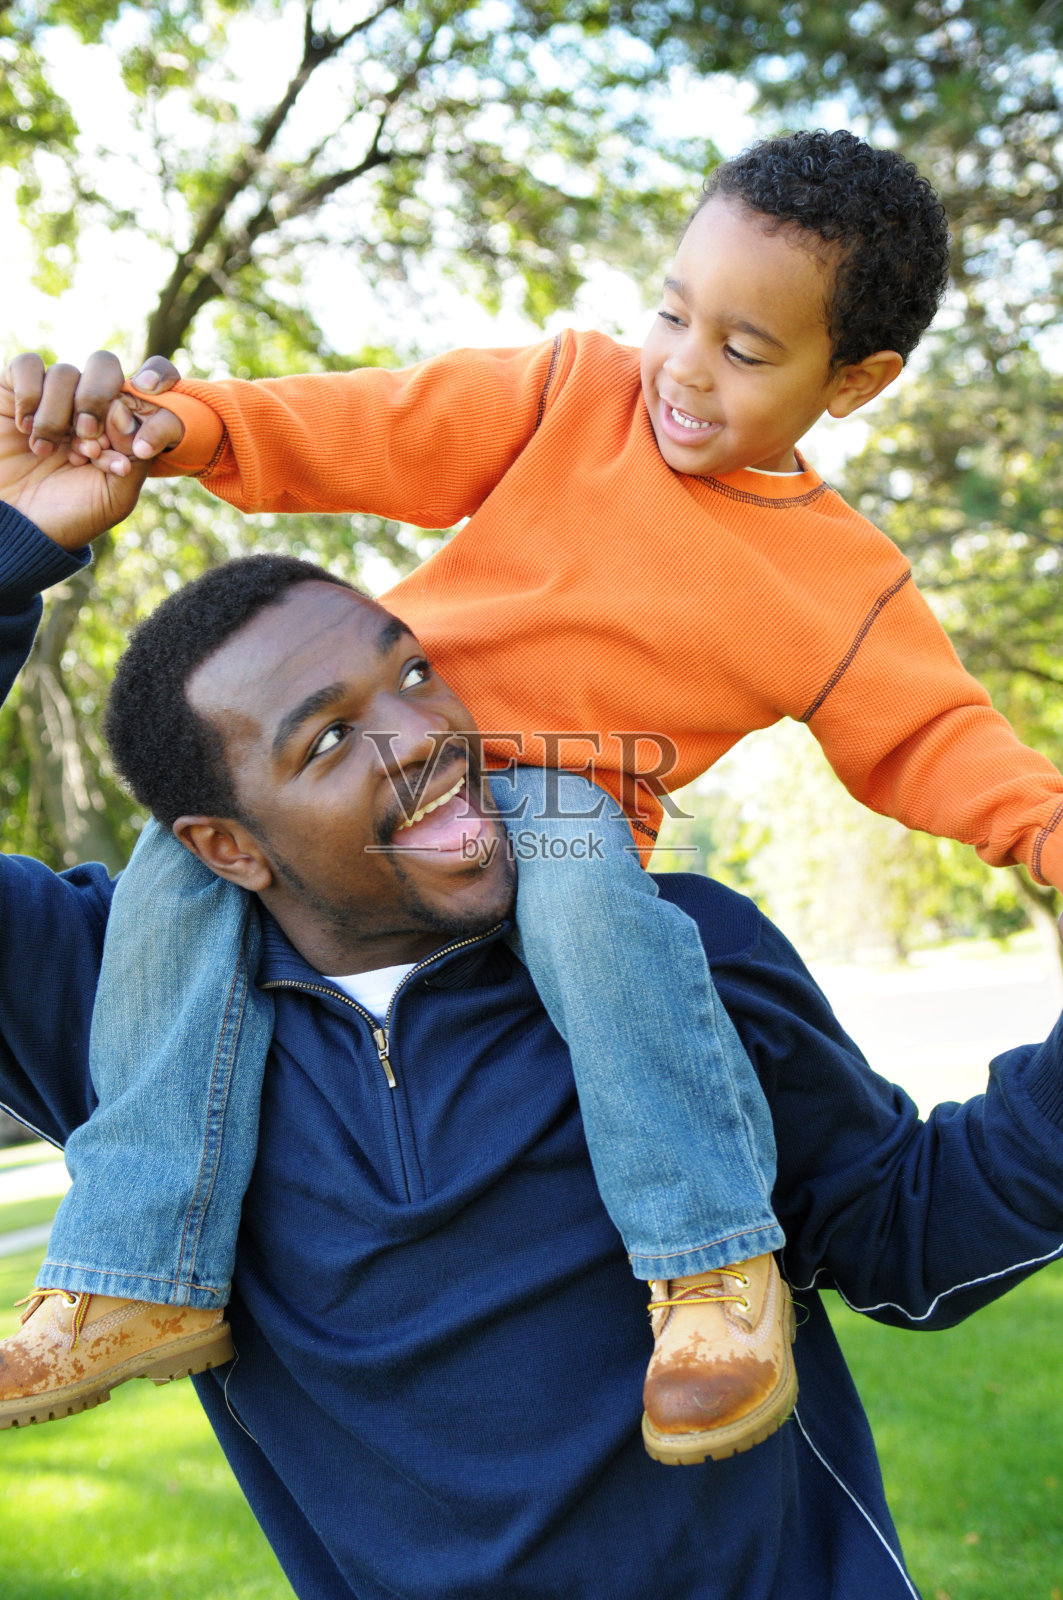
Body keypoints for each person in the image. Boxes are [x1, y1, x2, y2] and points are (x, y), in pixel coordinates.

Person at [7, 129, 1063, 1467]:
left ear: (853, 380)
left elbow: (932, 736)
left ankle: (708, 1277)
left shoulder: (837, 583)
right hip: (391, 748)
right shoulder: (574, 393)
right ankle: (140, 1263)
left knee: (587, 909)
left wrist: (1041, 828)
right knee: (182, 857)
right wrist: (203, 425)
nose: (680, 365)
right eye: (672, 312)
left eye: (743, 351)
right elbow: (377, 423)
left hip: (560, 801)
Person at [2, 464, 1063, 1600]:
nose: (422, 735)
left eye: (412, 671)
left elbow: (908, 1237)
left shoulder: (669, 953)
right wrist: (15, 544)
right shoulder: (115, 1001)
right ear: (225, 848)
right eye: (326, 741)